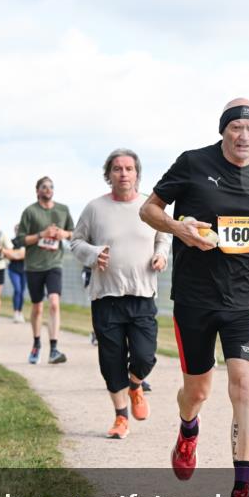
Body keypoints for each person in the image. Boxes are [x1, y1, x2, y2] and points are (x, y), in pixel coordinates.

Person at [140, 98, 249, 497]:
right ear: (223, 131)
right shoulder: (191, 163)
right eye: (236, 128)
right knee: (198, 392)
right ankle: (188, 429)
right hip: (195, 298)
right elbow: (149, 209)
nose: (244, 136)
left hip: (246, 300)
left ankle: (240, 496)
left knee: (244, 387)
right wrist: (178, 228)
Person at [72, 148, 171, 439]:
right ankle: (120, 418)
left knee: (145, 356)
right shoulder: (94, 208)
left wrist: (161, 255)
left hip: (142, 294)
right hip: (106, 297)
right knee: (110, 360)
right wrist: (93, 253)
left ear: (137, 174)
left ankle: (136, 383)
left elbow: (163, 237)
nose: (123, 173)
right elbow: (76, 243)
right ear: (109, 174)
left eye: (129, 168)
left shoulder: (150, 207)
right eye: (117, 169)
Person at [17, 176, 75, 364]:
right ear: (37, 191)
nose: (48, 190)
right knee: (37, 307)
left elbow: (74, 234)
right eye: (44, 187)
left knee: (54, 303)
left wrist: (62, 234)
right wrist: (42, 234)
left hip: (54, 263)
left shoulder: (63, 210)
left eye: (51, 187)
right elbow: (20, 240)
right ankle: (36, 344)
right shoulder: (30, 212)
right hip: (34, 265)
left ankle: (54, 349)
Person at [8, 224, 27, 323]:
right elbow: (9, 255)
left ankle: (20, 312)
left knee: (22, 292)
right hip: (13, 269)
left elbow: (25, 255)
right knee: (17, 289)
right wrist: (18, 254)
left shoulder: (26, 242)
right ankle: (15, 312)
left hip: (25, 270)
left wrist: (16, 254)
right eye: (17, 229)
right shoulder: (11, 242)